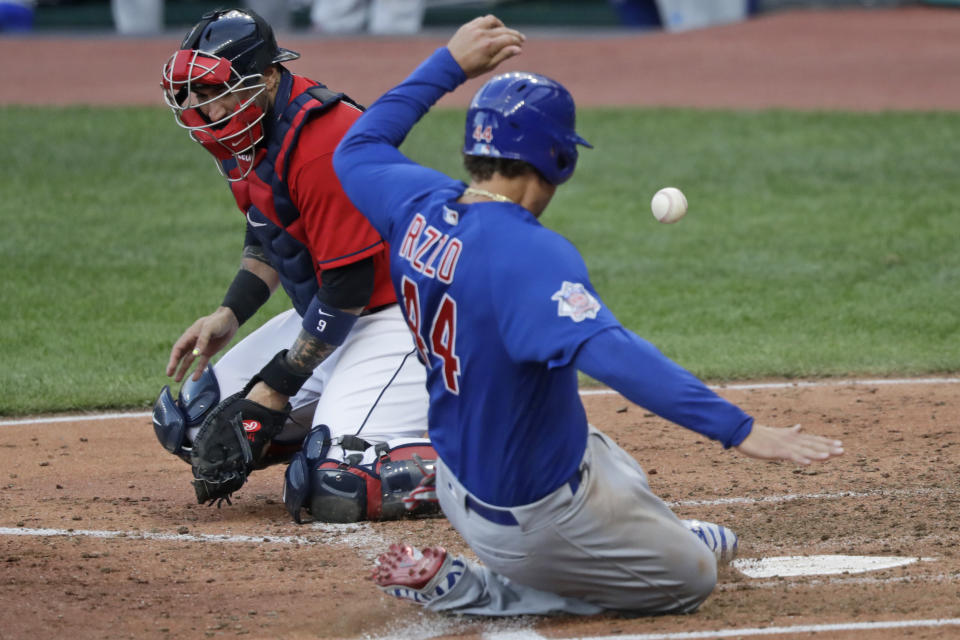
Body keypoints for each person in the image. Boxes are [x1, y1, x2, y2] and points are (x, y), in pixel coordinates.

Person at [332, 15, 845, 616]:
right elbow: (617, 354)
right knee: (692, 580)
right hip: (532, 521)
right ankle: (487, 591)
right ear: (555, 158)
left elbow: (358, 145)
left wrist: (448, 64)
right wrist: (743, 430)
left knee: (595, 445)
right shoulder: (529, 253)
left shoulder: (416, 205)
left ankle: (654, 537)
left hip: (460, 479)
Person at [153, 8, 437, 524]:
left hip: (401, 319)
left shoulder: (323, 145)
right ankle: (349, 418)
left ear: (265, 79)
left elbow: (348, 287)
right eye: (190, 93)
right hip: (334, 318)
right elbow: (271, 229)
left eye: (214, 91)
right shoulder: (247, 131)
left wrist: (277, 384)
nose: (200, 107)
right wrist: (230, 312)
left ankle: (476, 458)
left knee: (341, 485)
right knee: (197, 422)